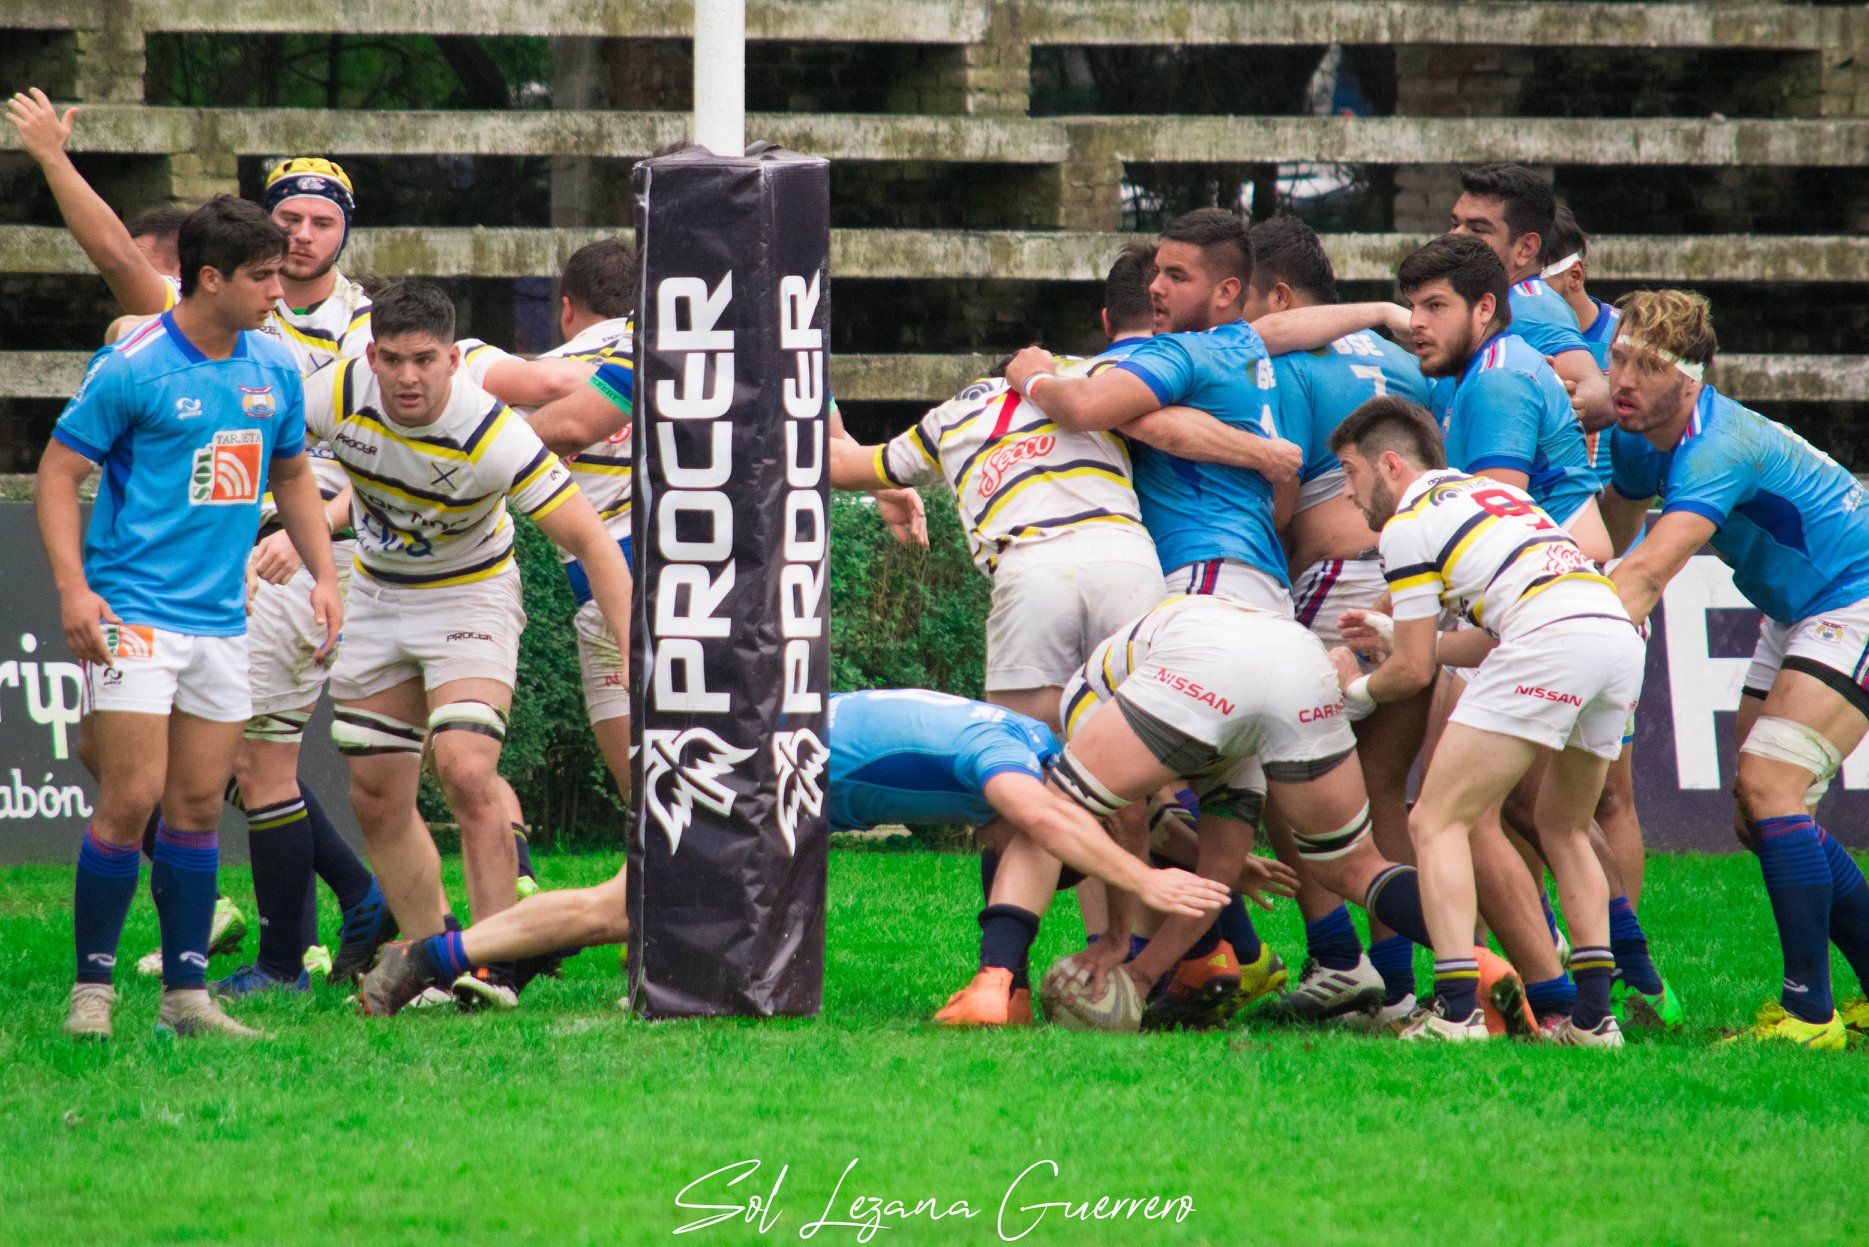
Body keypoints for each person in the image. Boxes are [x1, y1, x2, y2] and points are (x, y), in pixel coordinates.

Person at [355, 689, 1233, 1019]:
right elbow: (1051, 820)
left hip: (766, 760)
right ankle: (426, 957)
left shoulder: (1030, 740)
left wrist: (1205, 861)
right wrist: (1145, 880)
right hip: (754, 765)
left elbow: (1112, 814)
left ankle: (453, 955)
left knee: (628, 911)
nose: (1008, 851)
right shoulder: (1009, 760)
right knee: (616, 909)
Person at [39, 197, 341, 1040]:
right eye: (263, 275)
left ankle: (186, 999)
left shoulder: (275, 365)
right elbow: (58, 474)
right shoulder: (134, 365)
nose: (279, 290)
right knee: (130, 795)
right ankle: (92, 993)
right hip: (135, 609)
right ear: (211, 278)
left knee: (200, 805)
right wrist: (73, 589)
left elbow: (291, 475)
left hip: (221, 620)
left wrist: (324, 574)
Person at [307, 280, 634, 1010]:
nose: (408, 377)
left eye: (425, 360)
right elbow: (280, 458)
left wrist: (637, 650)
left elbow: (592, 542)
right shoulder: (336, 391)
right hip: (379, 594)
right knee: (375, 794)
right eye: (393, 360)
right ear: (371, 356)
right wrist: (303, 546)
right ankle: (426, 962)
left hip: (470, 593)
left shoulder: (494, 434)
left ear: (454, 359)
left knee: (463, 765)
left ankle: (491, 962)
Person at [1330, 397, 1643, 1045]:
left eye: (1350, 473)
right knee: (1564, 827)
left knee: (1435, 819)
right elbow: (1476, 637)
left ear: (1389, 464)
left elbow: (1411, 672)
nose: (1347, 494)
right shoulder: (1493, 498)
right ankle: (1593, 1019)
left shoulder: (1406, 524)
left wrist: (1352, 690)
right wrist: (1394, 633)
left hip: (1548, 638)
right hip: (1613, 633)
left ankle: (1456, 1012)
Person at [1602, 290, 1869, 1049]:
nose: (1623, 378)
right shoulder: (1634, 433)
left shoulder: (1719, 445)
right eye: (1617, 358)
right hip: (1797, 609)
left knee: (1771, 787)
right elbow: (1608, 535)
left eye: (1645, 366)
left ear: (1690, 378)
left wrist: (1546, 636)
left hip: (1854, 597)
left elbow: (1645, 571)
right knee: (1759, 816)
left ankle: (1809, 1015)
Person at [1239, 216, 1435, 1022]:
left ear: (1280, 299)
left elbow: (1280, 494)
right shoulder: (1406, 361)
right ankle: (1399, 983)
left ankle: (1336, 955)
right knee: (1382, 788)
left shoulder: (1284, 361)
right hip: (1414, 576)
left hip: (1335, 583)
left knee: (1279, 767)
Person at [1003, 208, 1302, 612]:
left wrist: (1033, 378)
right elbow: (1282, 508)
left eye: (1177, 277)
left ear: (1226, 292)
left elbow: (1083, 406)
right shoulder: (1248, 346)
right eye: (1158, 272)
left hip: (1202, 571)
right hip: (1260, 576)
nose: (1156, 288)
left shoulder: (1183, 349)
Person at [1446, 162, 1613, 432]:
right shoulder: (1487, 302)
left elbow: (1599, 396)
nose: (1455, 237)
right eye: (1455, 224)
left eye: (1477, 229)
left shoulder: (1529, 304)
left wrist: (1559, 402)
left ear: (1526, 248)